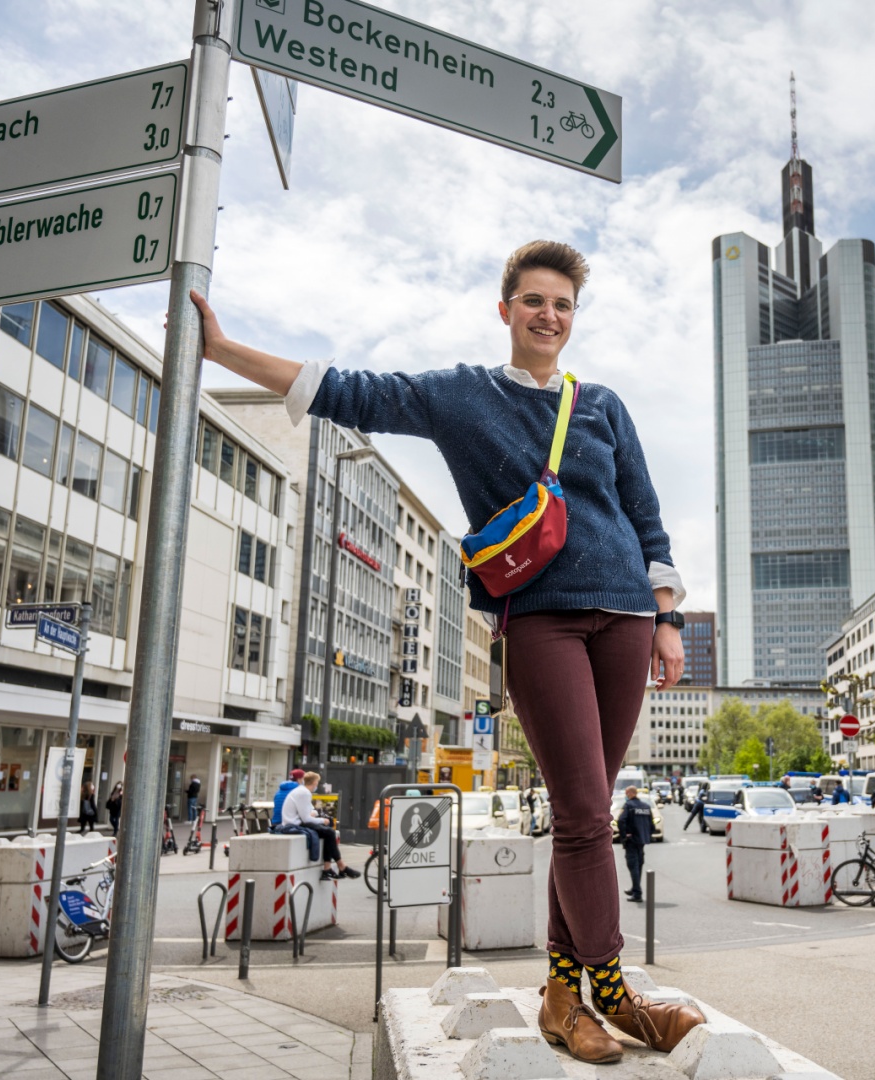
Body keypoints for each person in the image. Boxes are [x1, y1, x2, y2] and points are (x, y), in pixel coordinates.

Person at [183, 241, 703, 1063]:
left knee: (591, 816)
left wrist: (667, 616)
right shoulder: (463, 395)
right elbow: (348, 391)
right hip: (540, 618)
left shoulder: (601, 404)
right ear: (506, 310)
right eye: (534, 300)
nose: (548, 315)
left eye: (563, 304)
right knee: (578, 815)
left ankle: (565, 999)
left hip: (627, 616)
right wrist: (223, 350)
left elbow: (646, 514)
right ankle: (612, 988)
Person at [280, 771, 361, 881]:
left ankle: (328, 869)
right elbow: (307, 818)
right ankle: (341, 866)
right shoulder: (304, 793)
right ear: (313, 782)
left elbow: (311, 811)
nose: (317, 786)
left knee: (327, 832)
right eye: (317, 783)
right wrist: (323, 820)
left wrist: (316, 816)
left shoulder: (301, 791)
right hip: (295, 824)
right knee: (329, 832)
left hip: (294, 821)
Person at [618, 786, 653, 902]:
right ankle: (635, 887)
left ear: (629, 793)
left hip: (632, 840)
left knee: (633, 865)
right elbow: (651, 825)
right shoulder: (646, 806)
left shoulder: (628, 805)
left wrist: (624, 836)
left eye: (626, 793)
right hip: (641, 840)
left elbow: (621, 821)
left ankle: (637, 893)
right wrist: (646, 835)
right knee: (638, 864)